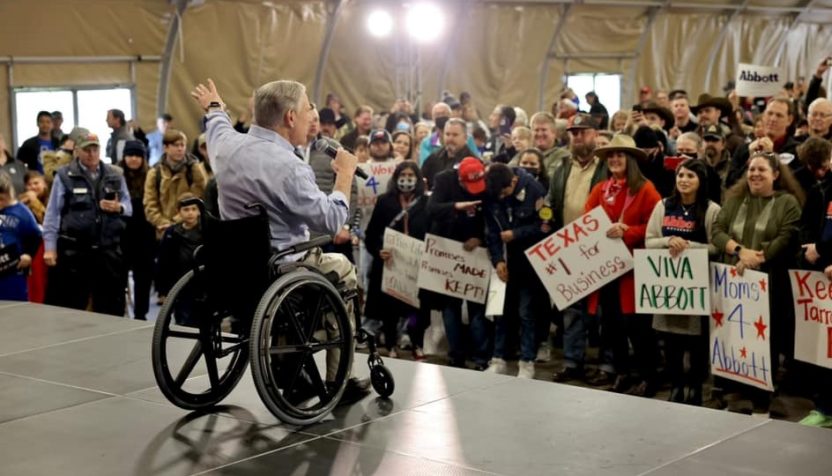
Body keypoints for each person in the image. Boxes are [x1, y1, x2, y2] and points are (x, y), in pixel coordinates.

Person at [193, 78, 370, 403]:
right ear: (290, 117)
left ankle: (287, 361)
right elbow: (332, 221)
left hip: (231, 266)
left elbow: (217, 124)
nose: (309, 118)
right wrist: (344, 175)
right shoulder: (289, 167)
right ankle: (337, 380)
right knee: (343, 269)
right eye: (306, 111)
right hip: (280, 268)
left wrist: (215, 106)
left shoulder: (225, 146)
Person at [711, 151, 803, 413]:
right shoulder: (735, 200)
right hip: (735, 281)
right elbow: (718, 230)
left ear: (775, 174)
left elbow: (787, 235)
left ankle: (763, 397)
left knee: (765, 338)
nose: (755, 174)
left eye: (761, 170)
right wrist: (740, 251)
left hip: (770, 283)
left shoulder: (787, 202)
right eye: (751, 169)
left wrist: (756, 258)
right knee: (735, 334)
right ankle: (736, 392)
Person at [585, 134, 661, 396]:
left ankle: (648, 376)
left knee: (638, 328)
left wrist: (627, 230)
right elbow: (587, 222)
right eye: (611, 156)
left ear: (631, 160)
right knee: (613, 326)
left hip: (635, 270)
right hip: (608, 270)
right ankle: (622, 372)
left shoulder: (646, 189)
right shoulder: (599, 189)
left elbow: (654, 227)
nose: (615, 159)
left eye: (620, 155)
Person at [645, 159, 721, 405]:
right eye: (680, 175)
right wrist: (669, 241)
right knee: (671, 341)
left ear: (701, 181)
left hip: (696, 288)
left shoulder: (711, 210)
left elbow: (716, 246)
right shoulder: (663, 206)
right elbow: (649, 240)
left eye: (690, 176)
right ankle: (676, 386)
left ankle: (696, 388)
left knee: (697, 343)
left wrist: (689, 246)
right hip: (668, 286)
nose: (684, 180)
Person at [42, 131, 132, 316]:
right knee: (73, 307)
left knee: (111, 307)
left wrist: (118, 207)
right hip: (76, 252)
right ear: (76, 151)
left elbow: (129, 207)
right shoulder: (64, 176)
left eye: (95, 149)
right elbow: (52, 214)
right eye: (86, 150)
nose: (91, 154)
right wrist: (50, 248)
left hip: (108, 250)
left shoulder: (115, 174)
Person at [484, 164, 550, 378]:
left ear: (513, 182)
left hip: (529, 263)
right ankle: (498, 358)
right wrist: (498, 260)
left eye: (504, 192)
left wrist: (517, 234)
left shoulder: (535, 190)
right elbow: (492, 231)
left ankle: (527, 361)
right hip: (505, 262)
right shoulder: (494, 193)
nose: (501, 197)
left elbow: (545, 227)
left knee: (526, 313)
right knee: (500, 313)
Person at [424, 157, 491, 369]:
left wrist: (481, 238)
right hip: (448, 250)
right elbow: (431, 208)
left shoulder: (486, 184)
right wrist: (456, 206)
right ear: (459, 179)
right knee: (450, 307)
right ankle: (456, 355)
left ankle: (481, 357)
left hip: (475, 254)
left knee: (477, 309)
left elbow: (491, 215)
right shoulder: (444, 180)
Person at [364, 162, 430, 359]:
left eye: (411, 175)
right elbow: (371, 234)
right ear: (396, 177)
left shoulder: (426, 203)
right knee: (389, 309)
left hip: (416, 266)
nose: (407, 178)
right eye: (403, 174)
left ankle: (417, 343)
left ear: (418, 180)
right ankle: (391, 344)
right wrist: (378, 251)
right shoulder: (385, 201)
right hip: (390, 264)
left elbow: (434, 232)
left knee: (416, 310)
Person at [143, 129, 208, 240]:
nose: (180, 149)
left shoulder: (193, 169)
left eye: (182, 145)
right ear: (165, 148)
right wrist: (162, 222)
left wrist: (176, 221)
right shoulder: (155, 172)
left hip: (190, 227)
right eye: (176, 145)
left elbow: (199, 196)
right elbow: (150, 202)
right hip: (163, 229)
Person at [119, 140, 156, 320]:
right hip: (122, 233)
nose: (133, 159)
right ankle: (119, 313)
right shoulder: (116, 175)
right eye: (130, 155)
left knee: (144, 278)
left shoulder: (151, 175)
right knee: (119, 276)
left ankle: (141, 314)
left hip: (145, 234)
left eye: (137, 156)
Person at [156, 193, 203, 325]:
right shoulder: (172, 233)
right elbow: (163, 262)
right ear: (179, 211)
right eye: (186, 210)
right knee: (183, 322)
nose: (190, 213)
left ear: (199, 210)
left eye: (194, 209)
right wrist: (163, 290)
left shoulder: (206, 231)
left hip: (201, 286)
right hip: (180, 286)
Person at [0, 172, 41, 301]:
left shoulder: (22, 212)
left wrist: (29, 254)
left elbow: (35, 236)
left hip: (13, 273)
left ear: (6, 195)